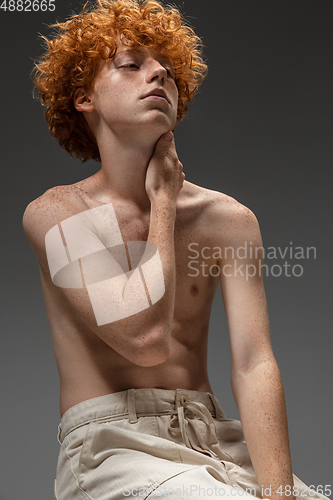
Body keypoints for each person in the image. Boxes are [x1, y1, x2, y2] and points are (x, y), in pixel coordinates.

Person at [22, 1, 330, 499]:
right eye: (132, 64)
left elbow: (254, 363)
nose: (159, 72)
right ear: (84, 98)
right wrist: (162, 198)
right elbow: (143, 337)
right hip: (113, 446)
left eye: (166, 68)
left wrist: (280, 493)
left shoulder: (228, 219)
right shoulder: (57, 213)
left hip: (217, 442)